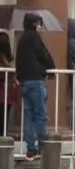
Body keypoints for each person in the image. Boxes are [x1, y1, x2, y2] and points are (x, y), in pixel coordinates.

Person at [15, 12, 54, 161]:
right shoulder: (34, 38)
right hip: (35, 80)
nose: (40, 27)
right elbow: (43, 54)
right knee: (39, 115)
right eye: (39, 24)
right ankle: (42, 146)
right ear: (34, 24)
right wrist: (50, 68)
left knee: (28, 115)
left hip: (24, 81)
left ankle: (30, 149)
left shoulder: (22, 39)